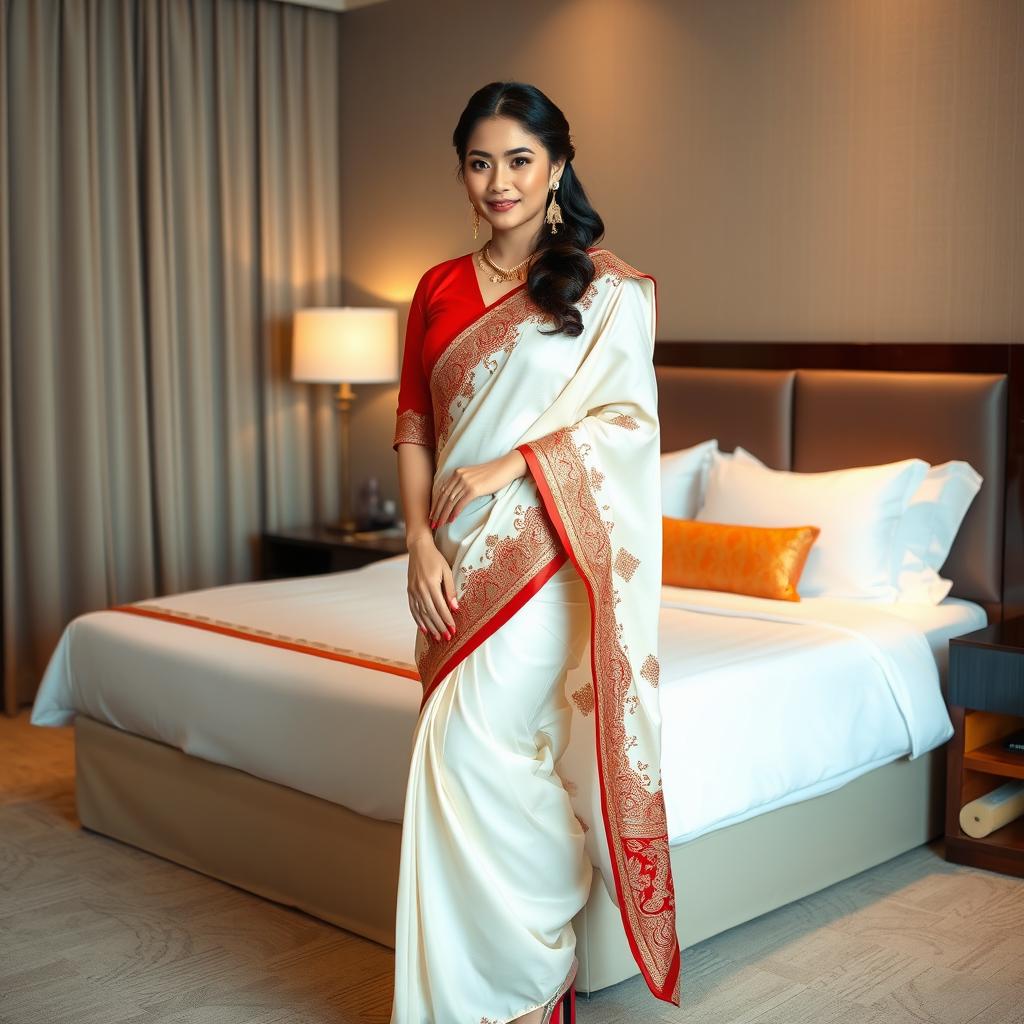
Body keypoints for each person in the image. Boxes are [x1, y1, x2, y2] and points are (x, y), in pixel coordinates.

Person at [390, 81, 681, 1024]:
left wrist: (510, 465)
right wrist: (418, 543)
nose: (498, 181)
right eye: (480, 162)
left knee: (479, 753)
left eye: (519, 160)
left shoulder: (606, 291)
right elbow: (412, 429)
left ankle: (528, 969)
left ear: (556, 165)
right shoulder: (435, 286)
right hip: (449, 562)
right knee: (453, 756)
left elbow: (628, 425)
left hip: (545, 558)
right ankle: (466, 995)